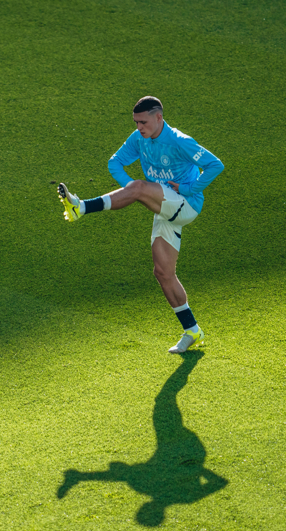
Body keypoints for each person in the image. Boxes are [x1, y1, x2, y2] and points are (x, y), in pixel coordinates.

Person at [57, 96, 224, 353]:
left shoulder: (180, 142)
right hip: (164, 206)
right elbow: (115, 162)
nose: (139, 128)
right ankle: (193, 331)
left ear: (159, 117)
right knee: (163, 273)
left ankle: (81, 207)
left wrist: (190, 187)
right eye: (136, 123)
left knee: (139, 187)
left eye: (143, 122)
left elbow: (215, 165)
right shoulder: (139, 139)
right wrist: (131, 188)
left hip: (186, 205)